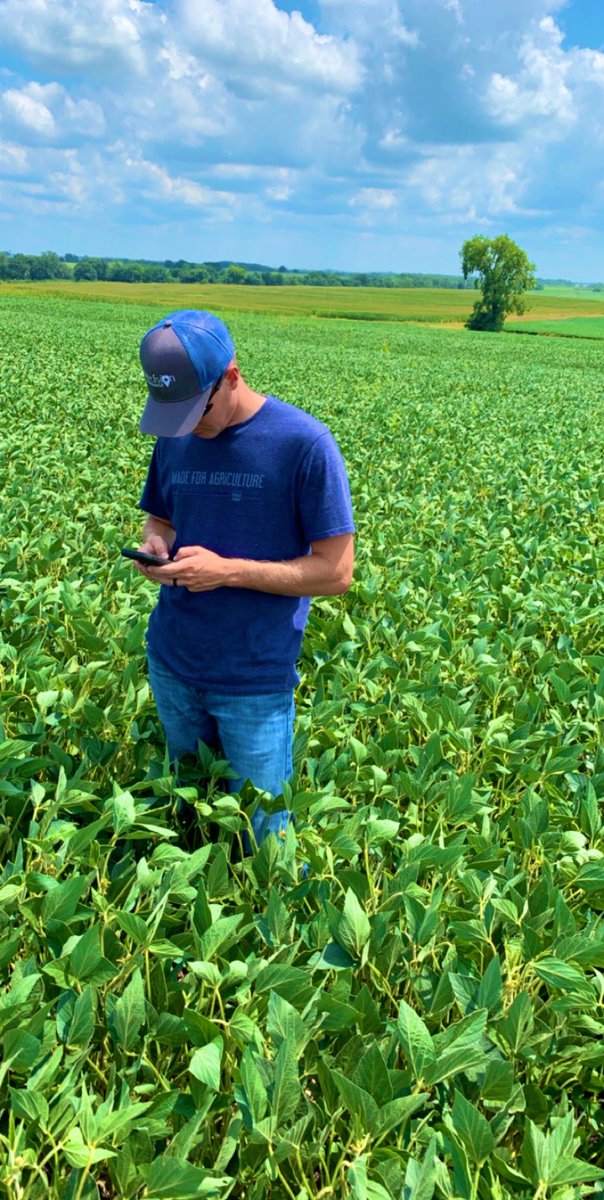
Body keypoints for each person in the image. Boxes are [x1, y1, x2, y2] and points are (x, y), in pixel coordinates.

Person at [133, 309, 355, 847]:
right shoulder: (176, 431)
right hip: (173, 660)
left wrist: (227, 572)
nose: (187, 426)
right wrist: (155, 545)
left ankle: (272, 929)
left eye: (195, 411)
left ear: (231, 375)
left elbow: (337, 572)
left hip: (253, 680)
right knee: (187, 812)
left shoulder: (304, 445)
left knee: (265, 834)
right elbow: (160, 515)